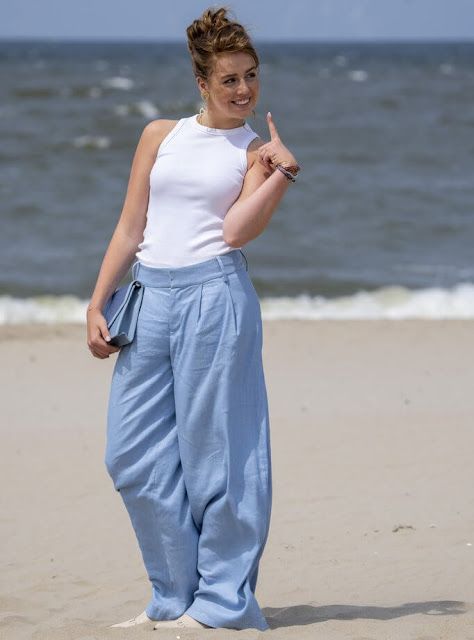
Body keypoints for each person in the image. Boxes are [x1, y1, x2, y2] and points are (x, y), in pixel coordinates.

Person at [86, 5, 300, 632]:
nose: (244, 90)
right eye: (230, 79)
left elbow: (235, 232)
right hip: (149, 298)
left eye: (251, 76)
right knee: (131, 456)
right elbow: (131, 228)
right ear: (202, 83)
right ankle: (174, 596)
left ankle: (220, 605)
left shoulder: (255, 151)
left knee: (219, 461)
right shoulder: (160, 135)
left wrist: (280, 173)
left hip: (216, 298)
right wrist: (98, 301)